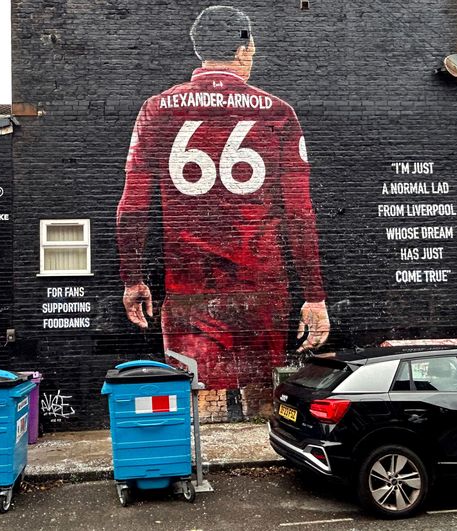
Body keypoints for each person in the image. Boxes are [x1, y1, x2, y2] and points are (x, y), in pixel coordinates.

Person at [116, 6, 330, 408]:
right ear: (244, 47)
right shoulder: (279, 112)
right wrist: (314, 296)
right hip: (263, 287)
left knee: (196, 398)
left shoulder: (157, 109)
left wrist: (133, 278)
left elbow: (133, 207)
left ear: (199, 49)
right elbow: (299, 214)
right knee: (265, 398)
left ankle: (203, 466)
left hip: (189, 288)